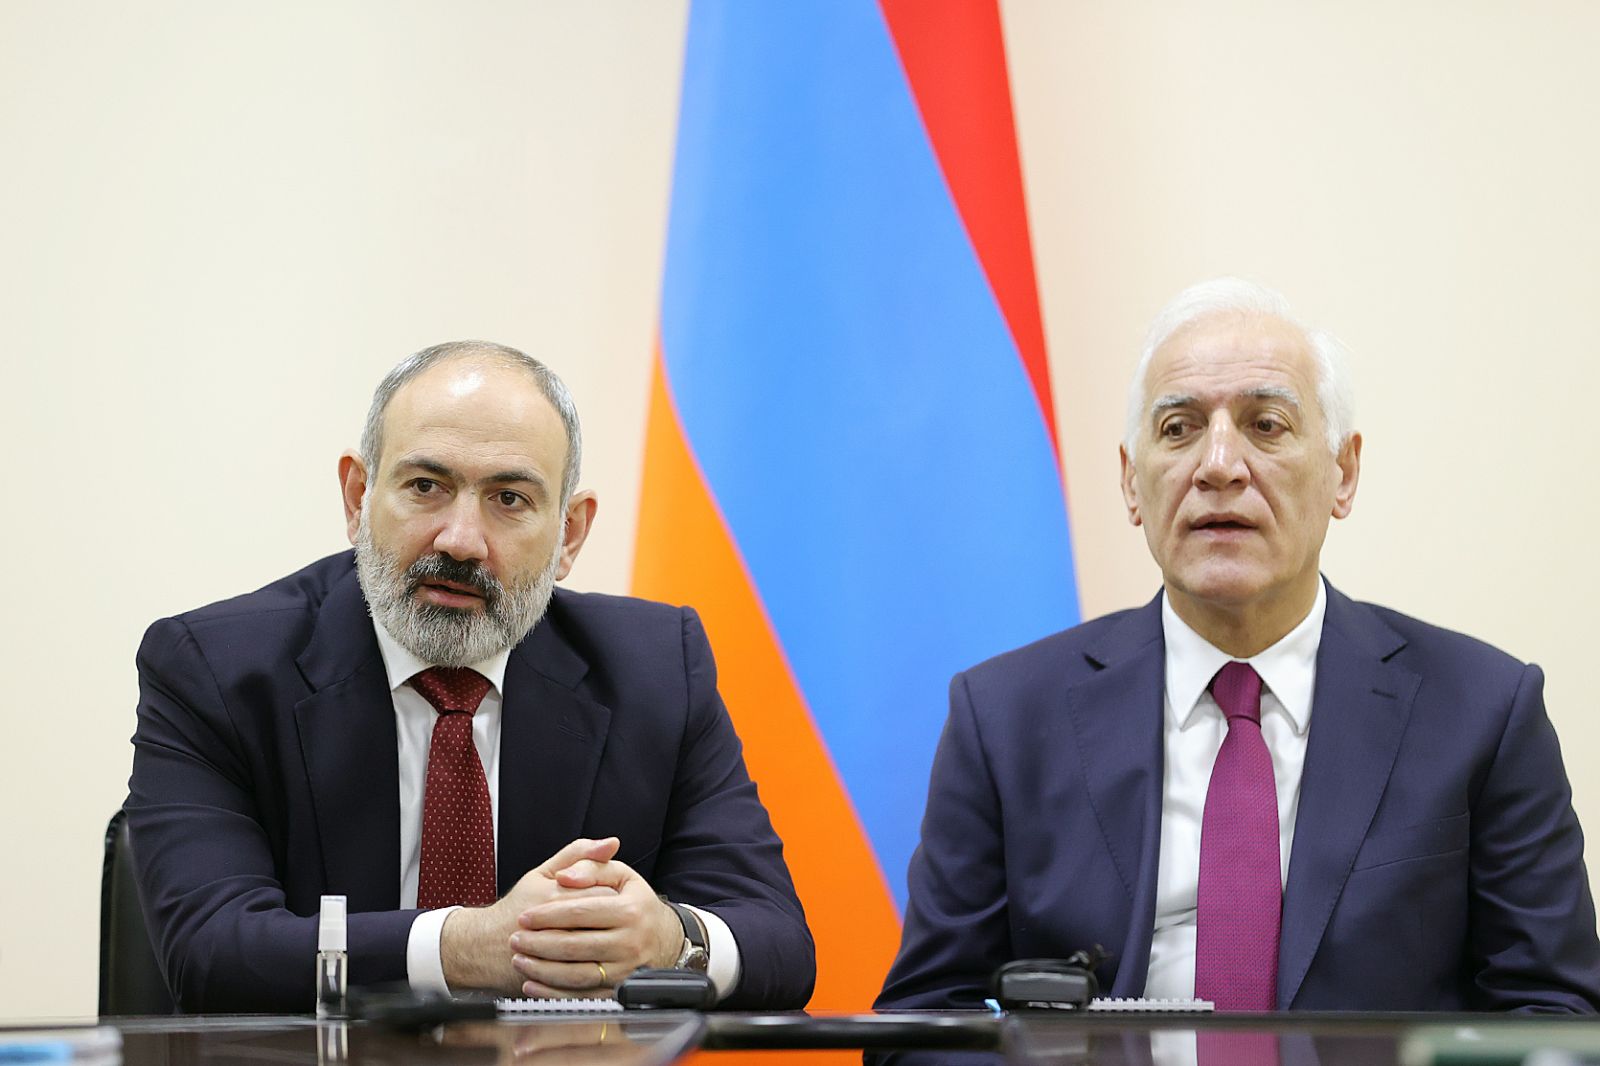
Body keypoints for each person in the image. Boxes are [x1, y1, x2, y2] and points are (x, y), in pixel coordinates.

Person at [876, 279, 1600, 1013]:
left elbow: (1557, 1013)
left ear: (1343, 474)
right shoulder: (1004, 719)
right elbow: (927, 1018)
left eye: (1266, 425)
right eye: (1179, 428)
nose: (1218, 465)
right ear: (1131, 483)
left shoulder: (1481, 712)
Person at [126, 341, 814, 1012]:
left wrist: (673, 940)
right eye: (426, 487)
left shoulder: (656, 670)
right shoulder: (215, 670)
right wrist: (464, 947)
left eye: (509, 499)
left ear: (570, 535)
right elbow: (210, 953)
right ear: (358, 497)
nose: (460, 540)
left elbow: (781, 944)